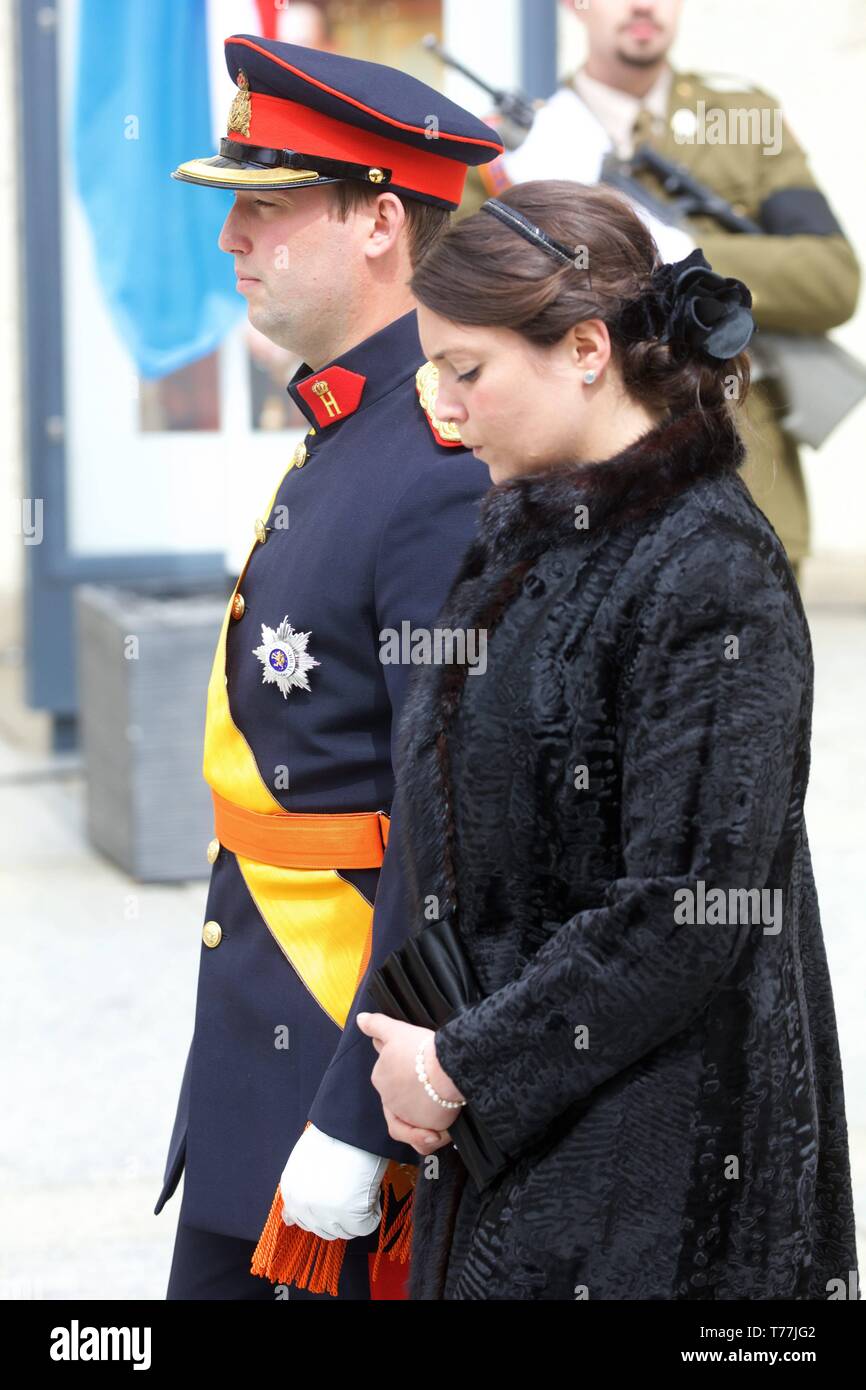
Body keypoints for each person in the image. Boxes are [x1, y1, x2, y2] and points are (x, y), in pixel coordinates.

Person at [355, 180, 859, 1299]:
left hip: (658, 1184)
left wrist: (461, 1066)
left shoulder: (709, 570)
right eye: (433, 373)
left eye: (465, 372)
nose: (445, 412)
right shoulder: (530, 529)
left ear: (586, 347)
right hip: (517, 1145)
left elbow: (686, 910)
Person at [154, 31, 503, 1300]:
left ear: (379, 223)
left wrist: (355, 1123)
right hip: (264, 1058)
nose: (232, 239)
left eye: (267, 205)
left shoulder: (436, 459)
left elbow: (451, 823)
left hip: (341, 1085)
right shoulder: (350, 422)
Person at [461, 0, 861, 580]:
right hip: (574, 488)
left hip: (744, 480)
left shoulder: (746, 122)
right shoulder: (517, 145)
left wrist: (682, 251)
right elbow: (469, 303)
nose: (643, 6)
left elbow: (832, 276)